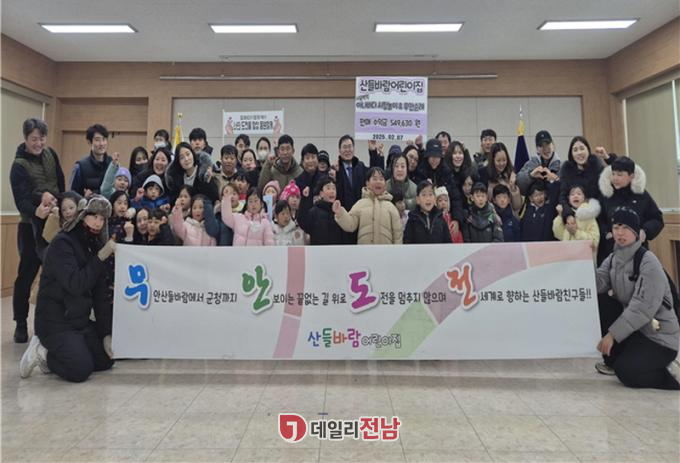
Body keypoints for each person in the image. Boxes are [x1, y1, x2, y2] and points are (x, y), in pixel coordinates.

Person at [19, 195, 116, 383]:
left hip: (79, 320)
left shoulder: (94, 246)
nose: (98, 222)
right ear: (82, 215)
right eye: (94, 216)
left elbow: (100, 295)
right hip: (55, 321)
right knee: (81, 369)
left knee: (105, 360)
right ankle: (43, 352)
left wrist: (105, 334)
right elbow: (75, 284)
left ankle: (65, 351)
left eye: (102, 219)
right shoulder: (62, 242)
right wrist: (99, 259)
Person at [595, 207, 680, 390]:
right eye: (616, 227)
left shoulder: (648, 262)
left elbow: (642, 307)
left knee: (627, 373)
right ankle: (617, 360)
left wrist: (612, 335)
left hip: (659, 336)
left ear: (636, 232)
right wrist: (585, 259)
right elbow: (598, 284)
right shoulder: (613, 259)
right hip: (637, 331)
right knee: (603, 302)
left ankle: (671, 374)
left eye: (626, 228)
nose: (620, 233)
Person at [10, 118, 66, 343]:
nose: (39, 143)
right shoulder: (18, 165)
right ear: (25, 138)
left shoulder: (51, 154)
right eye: (34, 139)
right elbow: (21, 200)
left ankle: (52, 323)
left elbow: (60, 184)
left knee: (55, 275)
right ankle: (20, 323)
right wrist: (36, 210)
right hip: (29, 227)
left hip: (54, 223)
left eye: (42, 138)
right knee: (26, 275)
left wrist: (60, 203)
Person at [597, 156, 663, 265]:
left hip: (637, 252)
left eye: (620, 174)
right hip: (611, 252)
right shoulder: (606, 196)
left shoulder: (641, 195)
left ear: (631, 176)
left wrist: (645, 231)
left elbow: (657, 219)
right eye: (613, 174)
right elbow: (598, 220)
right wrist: (607, 233)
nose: (615, 178)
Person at [333, 167, 403, 245]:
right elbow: (350, 225)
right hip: (364, 251)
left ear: (385, 184)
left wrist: (398, 250)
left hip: (386, 251)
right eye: (374, 179)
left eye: (381, 179)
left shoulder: (391, 207)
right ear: (367, 183)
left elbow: (398, 234)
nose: (378, 182)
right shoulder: (360, 204)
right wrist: (340, 213)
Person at [553, 184, 600, 259]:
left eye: (579, 194)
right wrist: (560, 216)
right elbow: (558, 234)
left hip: (584, 259)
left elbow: (594, 241)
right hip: (568, 258)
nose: (575, 196)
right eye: (572, 194)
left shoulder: (589, 216)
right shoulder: (566, 215)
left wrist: (576, 232)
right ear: (568, 199)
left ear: (584, 198)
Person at [557, 136, 603, 209]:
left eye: (582, 148)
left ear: (588, 150)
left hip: (595, 210)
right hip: (573, 212)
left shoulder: (597, 167)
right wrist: (568, 212)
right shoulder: (567, 171)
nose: (579, 153)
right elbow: (563, 196)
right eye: (575, 150)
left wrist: (607, 157)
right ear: (571, 154)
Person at [298, 177, 344, 245]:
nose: (332, 191)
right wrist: (304, 199)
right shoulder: (314, 212)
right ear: (321, 193)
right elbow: (303, 223)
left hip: (337, 250)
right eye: (328, 188)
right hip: (318, 250)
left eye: (334, 188)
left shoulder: (339, 212)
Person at [70, 124, 112, 197]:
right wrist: (84, 197)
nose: (101, 143)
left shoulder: (112, 163)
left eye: (104, 139)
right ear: (89, 142)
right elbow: (72, 194)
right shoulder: (81, 166)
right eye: (97, 140)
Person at [517, 130, 561, 196]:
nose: (545, 148)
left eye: (548, 144)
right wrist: (530, 175)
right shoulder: (531, 164)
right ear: (537, 149)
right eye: (541, 146)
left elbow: (568, 190)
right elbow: (519, 186)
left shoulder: (562, 166)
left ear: (553, 145)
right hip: (533, 202)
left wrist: (556, 179)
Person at [483, 143, 523, 214]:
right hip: (491, 215)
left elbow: (517, 206)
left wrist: (513, 188)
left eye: (504, 160)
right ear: (492, 160)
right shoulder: (484, 174)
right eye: (498, 161)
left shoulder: (511, 174)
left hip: (509, 215)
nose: (501, 164)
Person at [295, 143, 323, 221]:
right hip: (303, 221)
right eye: (307, 158)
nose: (310, 161)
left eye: (313, 157)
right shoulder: (298, 181)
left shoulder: (324, 179)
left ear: (317, 159)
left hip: (321, 221)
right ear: (302, 161)